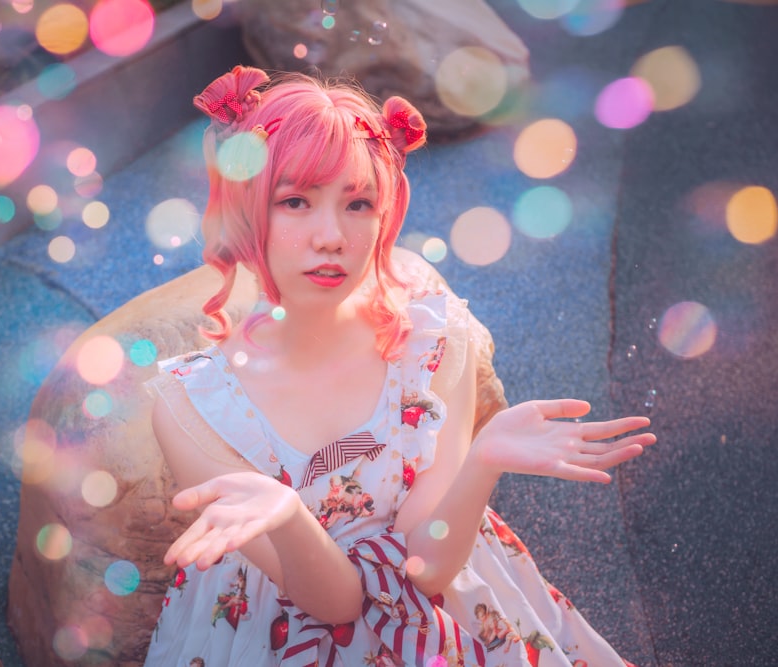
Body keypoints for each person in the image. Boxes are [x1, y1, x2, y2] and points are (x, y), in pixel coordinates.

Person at [143, 65, 655, 667]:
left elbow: (426, 568)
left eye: (358, 203)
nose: (331, 235)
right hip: (273, 626)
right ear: (244, 209)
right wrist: (285, 516)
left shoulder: (435, 343)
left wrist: (483, 458)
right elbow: (334, 605)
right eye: (295, 201)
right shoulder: (191, 405)